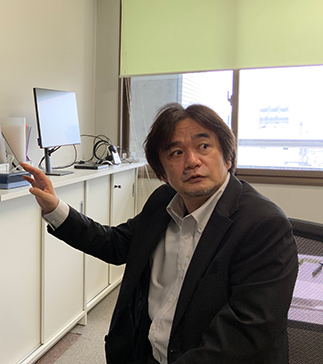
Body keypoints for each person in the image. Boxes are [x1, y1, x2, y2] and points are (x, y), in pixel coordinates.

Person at [20, 103, 298, 364]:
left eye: (203, 146)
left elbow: (243, 338)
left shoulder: (264, 226)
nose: (191, 161)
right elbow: (115, 244)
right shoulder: (163, 202)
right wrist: (55, 208)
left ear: (228, 157)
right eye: (176, 153)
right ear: (162, 171)